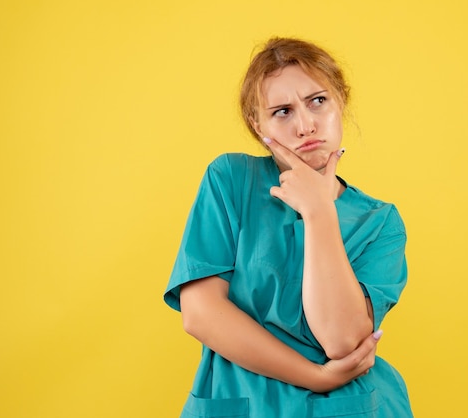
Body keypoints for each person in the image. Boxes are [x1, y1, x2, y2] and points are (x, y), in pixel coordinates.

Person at [164, 37, 412, 417]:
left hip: (349, 406)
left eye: (318, 101)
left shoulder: (380, 222)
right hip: (242, 402)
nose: (306, 125)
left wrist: (319, 213)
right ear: (256, 124)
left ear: (340, 102)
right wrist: (315, 376)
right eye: (282, 111)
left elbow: (342, 341)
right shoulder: (231, 180)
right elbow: (199, 313)